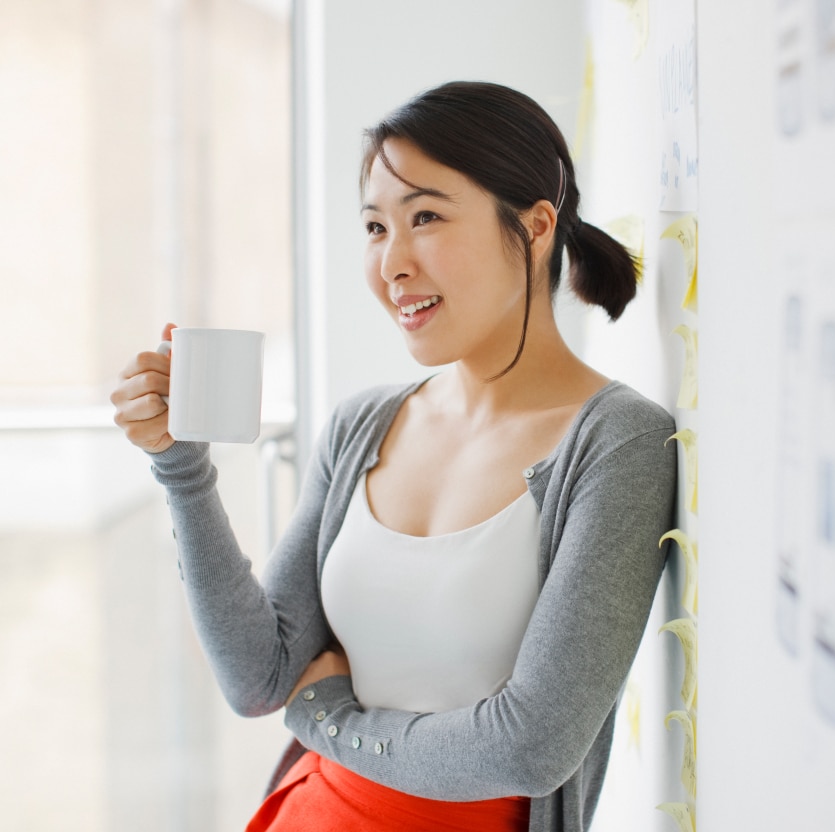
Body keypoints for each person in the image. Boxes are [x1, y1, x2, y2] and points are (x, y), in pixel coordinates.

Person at [110, 81, 677, 832]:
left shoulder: (617, 443)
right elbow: (258, 674)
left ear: (537, 226)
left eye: (427, 217)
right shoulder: (363, 426)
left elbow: (530, 748)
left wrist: (327, 719)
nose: (392, 264)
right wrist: (181, 466)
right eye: (376, 227)